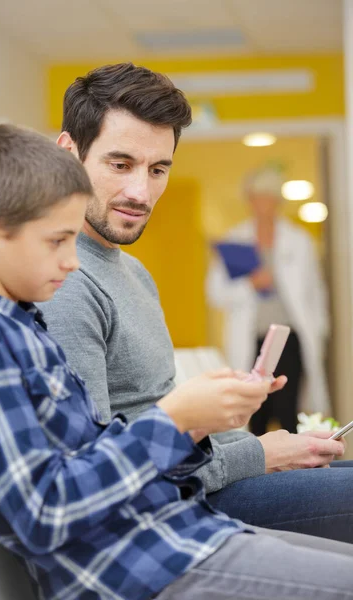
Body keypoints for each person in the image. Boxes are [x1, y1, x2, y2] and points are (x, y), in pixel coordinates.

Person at [0, 126, 353, 600]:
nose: (74, 261)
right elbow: (45, 511)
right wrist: (177, 419)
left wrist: (198, 424)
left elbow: (95, 454)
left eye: (158, 168)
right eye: (57, 241)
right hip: (136, 564)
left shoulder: (19, 320)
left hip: (168, 529)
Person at [40, 63, 353, 545]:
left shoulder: (133, 273)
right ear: (67, 155)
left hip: (204, 476)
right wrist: (260, 454)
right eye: (120, 164)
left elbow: (158, 415)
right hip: (173, 507)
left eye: (158, 169)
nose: (140, 193)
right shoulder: (65, 282)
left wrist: (248, 434)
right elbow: (99, 471)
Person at [206, 164, 329, 435]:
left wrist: (319, 333)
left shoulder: (299, 241)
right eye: (258, 197)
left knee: (288, 411)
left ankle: (298, 473)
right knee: (256, 412)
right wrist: (249, 284)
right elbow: (215, 294)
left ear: (278, 202)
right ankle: (264, 472)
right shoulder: (234, 240)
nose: (264, 204)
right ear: (249, 200)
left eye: (270, 198)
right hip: (252, 338)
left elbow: (315, 294)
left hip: (290, 339)